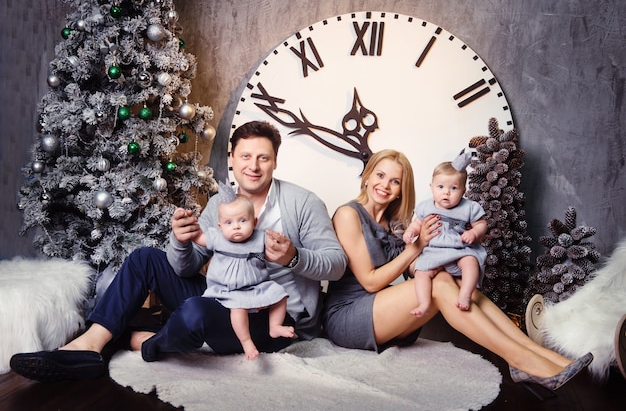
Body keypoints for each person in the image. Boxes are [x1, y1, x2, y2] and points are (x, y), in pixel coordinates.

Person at [10, 120, 347, 381]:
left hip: (274, 314)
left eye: (263, 157)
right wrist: (180, 241)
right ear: (232, 159)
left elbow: (336, 265)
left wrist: (293, 257)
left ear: (275, 161)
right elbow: (185, 270)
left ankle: (141, 341)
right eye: (245, 156)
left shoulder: (302, 203)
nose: (253, 166)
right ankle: (91, 345)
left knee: (197, 314)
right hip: (224, 297)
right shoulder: (220, 204)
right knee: (144, 258)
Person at [322, 149, 593, 391]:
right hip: (348, 315)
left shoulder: (399, 223)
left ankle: (538, 353)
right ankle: (520, 360)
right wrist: (416, 250)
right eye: (380, 175)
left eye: (395, 181)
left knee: (445, 279)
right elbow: (370, 282)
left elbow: (417, 268)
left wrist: (464, 246)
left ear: (402, 189)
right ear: (367, 176)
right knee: (439, 284)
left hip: (381, 311)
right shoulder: (349, 214)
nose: (385, 185)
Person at [193, 184, 294, 360]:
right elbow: (198, 238)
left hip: (256, 286)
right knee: (238, 309)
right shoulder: (217, 237)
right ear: (220, 225)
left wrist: (281, 246)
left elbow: (273, 254)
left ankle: (275, 326)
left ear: (254, 222)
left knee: (280, 294)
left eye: (242, 221)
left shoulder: (260, 237)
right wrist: (188, 232)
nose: (236, 227)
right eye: (229, 223)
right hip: (229, 290)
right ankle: (246, 342)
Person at [402, 153, 487, 317]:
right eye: (440, 187)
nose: (446, 192)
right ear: (431, 186)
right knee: (421, 271)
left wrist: (473, 232)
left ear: (463, 190)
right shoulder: (425, 207)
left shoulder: (469, 207)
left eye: (453, 188)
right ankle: (424, 302)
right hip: (433, 251)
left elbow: (482, 224)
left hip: (459, 248)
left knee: (471, 262)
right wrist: (410, 232)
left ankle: (465, 294)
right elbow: (417, 223)